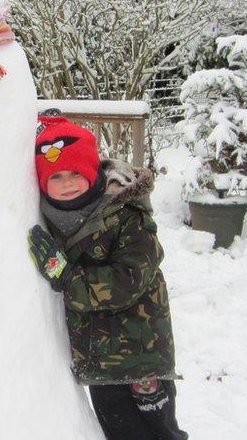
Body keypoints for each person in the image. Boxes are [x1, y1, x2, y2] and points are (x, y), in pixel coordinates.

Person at [27, 115, 187, 440]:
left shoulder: (126, 215)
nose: (67, 183)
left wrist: (66, 276)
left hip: (141, 356)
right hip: (100, 361)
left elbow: (130, 278)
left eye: (75, 173)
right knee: (118, 433)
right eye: (56, 176)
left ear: (91, 171)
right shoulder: (55, 220)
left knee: (159, 433)